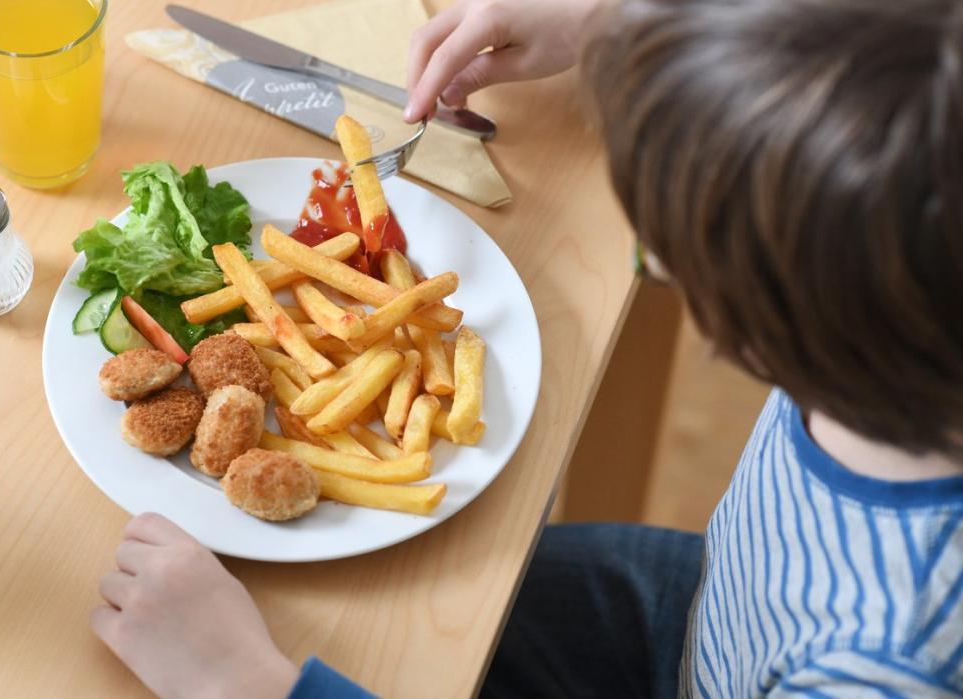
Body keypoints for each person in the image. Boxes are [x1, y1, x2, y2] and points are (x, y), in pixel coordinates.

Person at [89, 0, 963, 696]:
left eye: (670, 251)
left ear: (783, 319)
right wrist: (608, 17)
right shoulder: (905, 299)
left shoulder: (881, 664)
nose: (651, 261)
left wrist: (249, 686)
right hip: (711, 610)